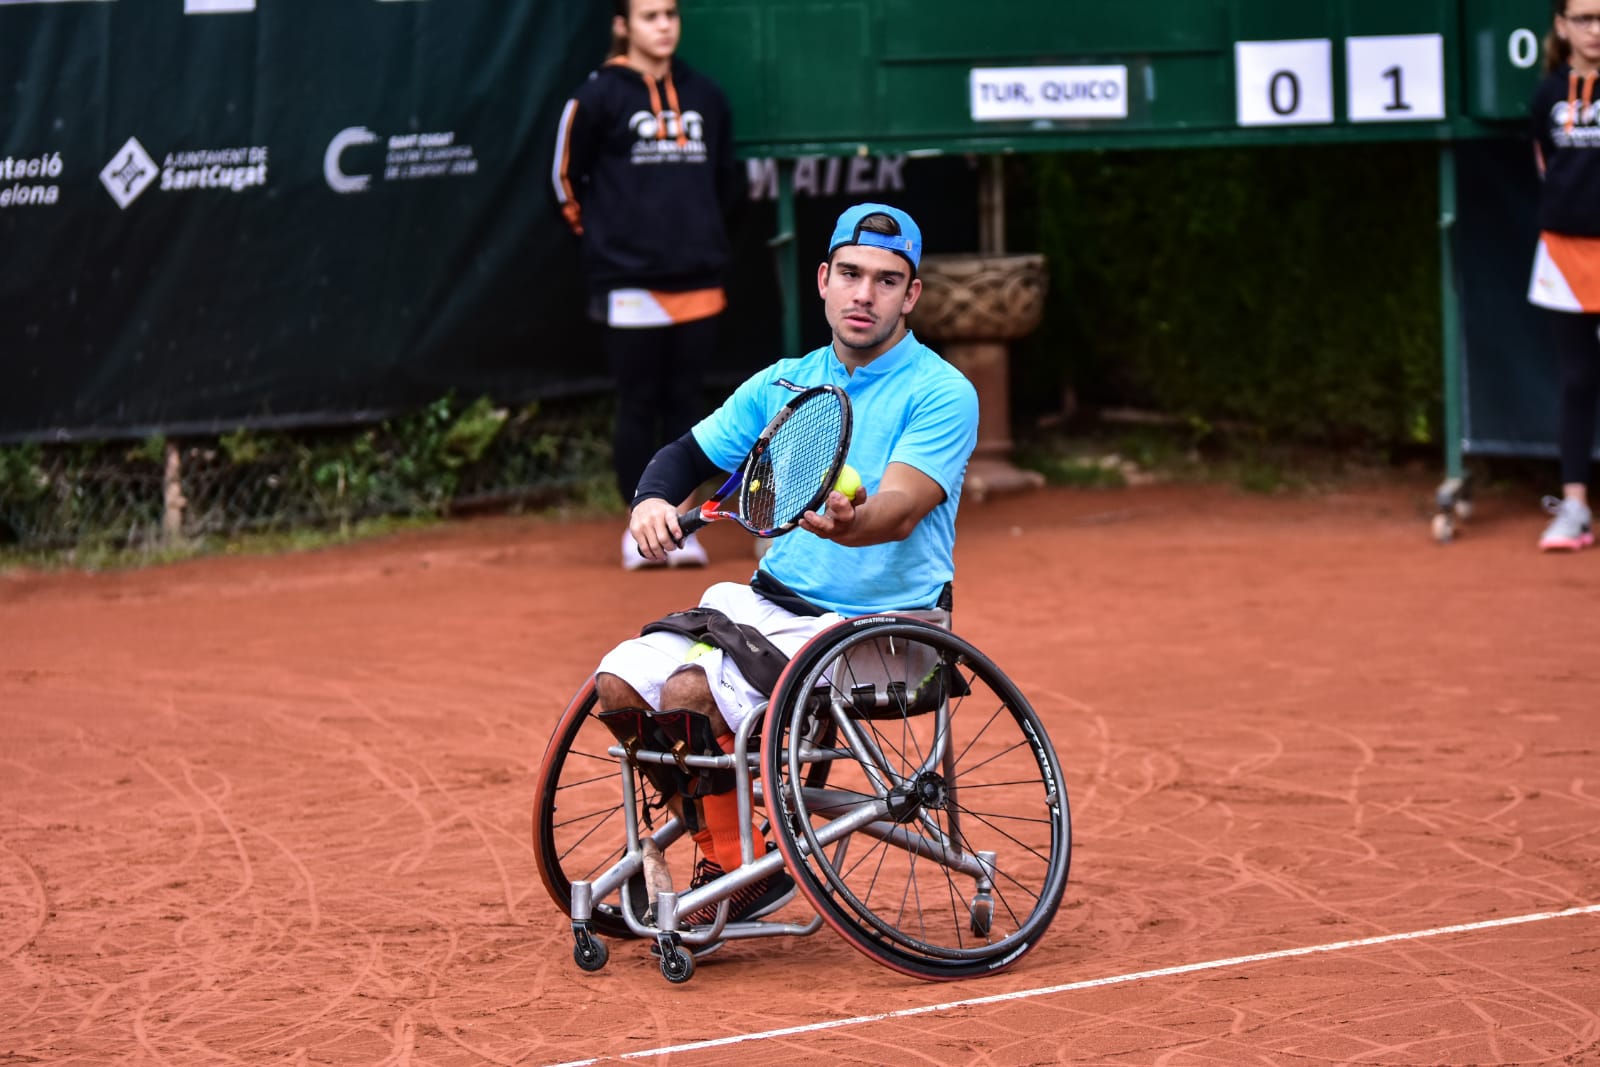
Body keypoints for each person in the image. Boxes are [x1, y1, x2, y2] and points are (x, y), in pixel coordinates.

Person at [594, 203, 980, 927]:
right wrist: (650, 500)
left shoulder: (942, 392)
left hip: (880, 631)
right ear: (824, 279)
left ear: (912, 295)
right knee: (618, 685)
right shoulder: (784, 382)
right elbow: (688, 455)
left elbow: (898, 507)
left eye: (888, 280)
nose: (866, 294)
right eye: (853, 275)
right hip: (771, 603)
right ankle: (736, 849)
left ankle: (737, 860)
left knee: (687, 689)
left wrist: (851, 522)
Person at [551, 0, 745, 570]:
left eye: (670, 15)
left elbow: (727, 184)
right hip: (629, 281)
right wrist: (607, 246)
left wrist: (704, 242)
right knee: (638, 403)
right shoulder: (596, 97)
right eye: (649, 16)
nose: (663, 26)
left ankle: (681, 527)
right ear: (622, 25)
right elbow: (563, 181)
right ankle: (638, 531)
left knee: (687, 403)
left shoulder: (707, 96)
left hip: (699, 277)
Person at [1528, 0, 1600, 551]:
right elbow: (1545, 165)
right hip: (1563, 255)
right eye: (1583, 19)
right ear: (1561, 26)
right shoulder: (1547, 94)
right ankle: (1574, 508)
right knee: (1577, 380)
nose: (1595, 30)